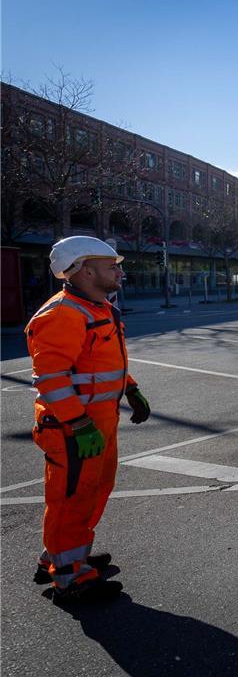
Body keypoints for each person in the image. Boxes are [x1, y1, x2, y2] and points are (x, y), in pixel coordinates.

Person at [26, 236, 152, 604]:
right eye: (113, 265)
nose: (120, 271)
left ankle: (64, 557)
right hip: (72, 428)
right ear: (85, 270)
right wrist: (78, 424)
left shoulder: (99, 309)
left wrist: (130, 388)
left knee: (93, 491)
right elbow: (51, 378)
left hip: (98, 423)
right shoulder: (62, 313)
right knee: (71, 499)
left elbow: (101, 363)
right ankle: (70, 580)